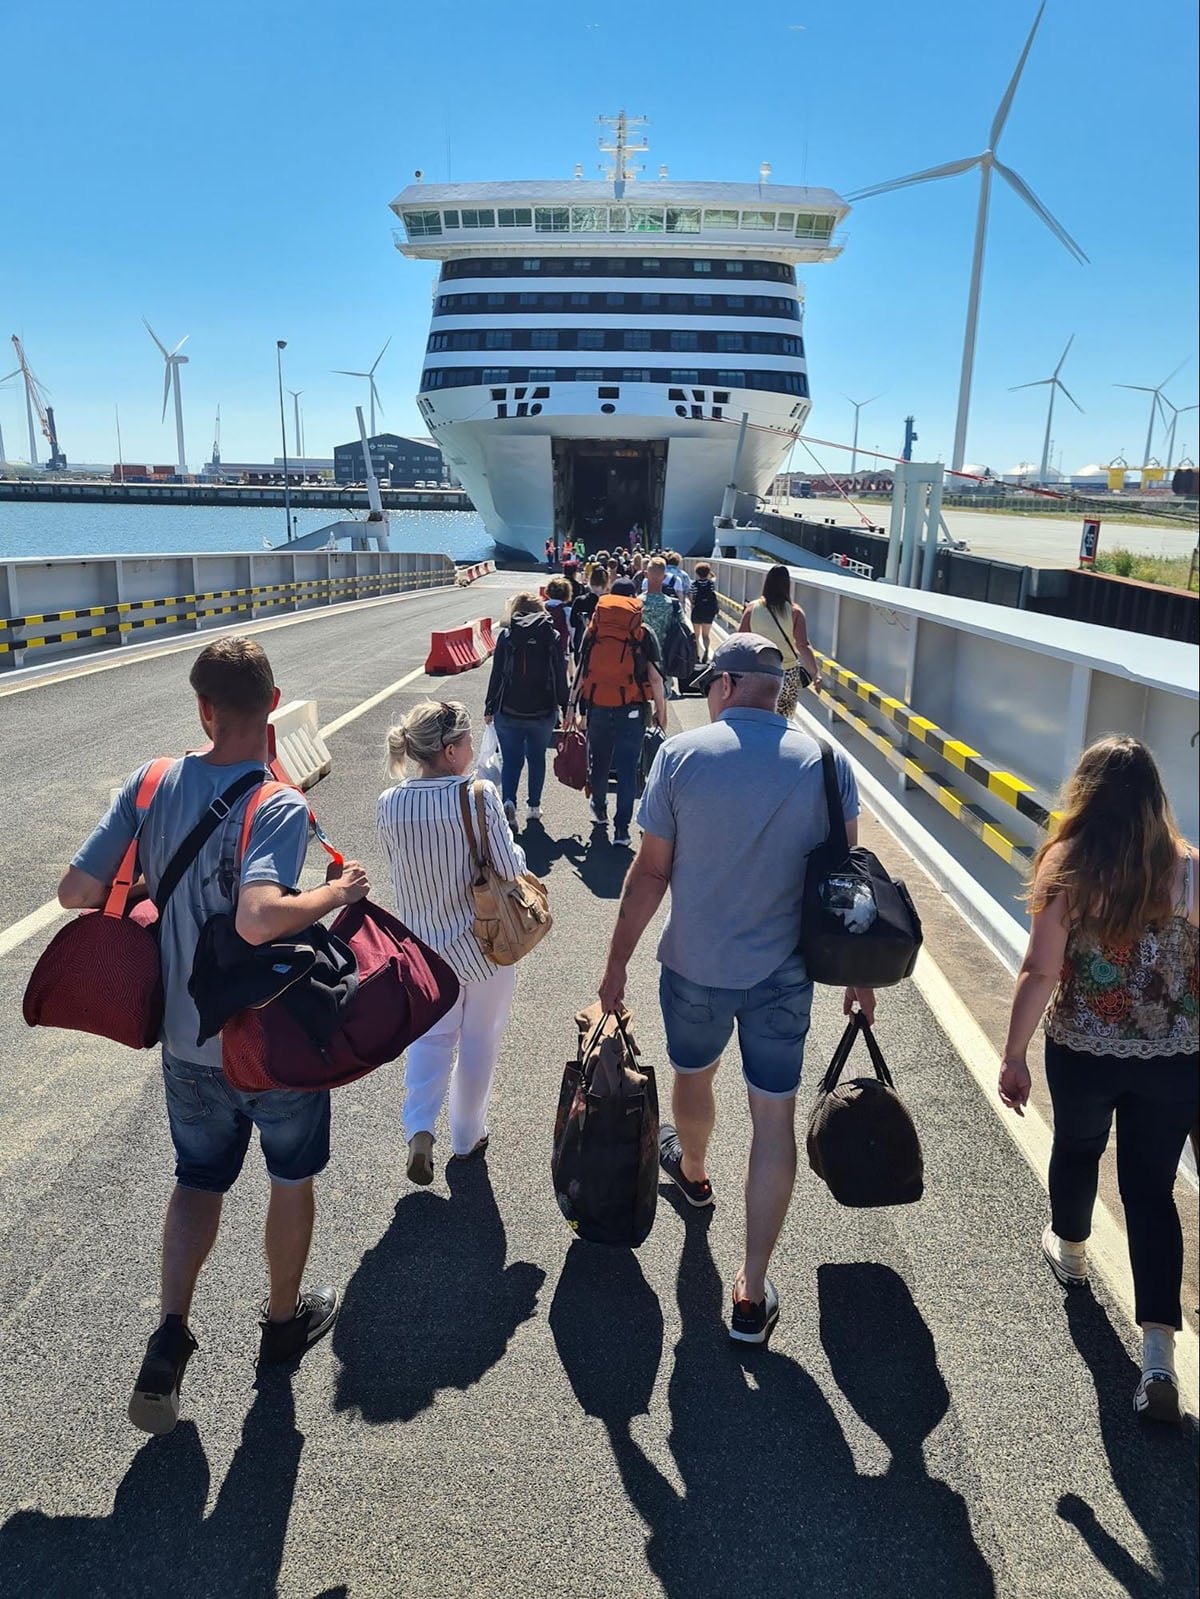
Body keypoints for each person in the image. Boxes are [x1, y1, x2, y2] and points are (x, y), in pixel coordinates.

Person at [59, 637, 370, 1434]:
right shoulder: (278, 802)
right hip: (271, 1042)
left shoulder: (152, 781)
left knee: (198, 1179)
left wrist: (153, 886)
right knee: (289, 1177)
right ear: (274, 706)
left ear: (203, 709)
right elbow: (260, 916)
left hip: (186, 1042)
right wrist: (335, 892)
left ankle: (169, 1336)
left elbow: (77, 889)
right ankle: (281, 1323)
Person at [597, 635, 873, 1343]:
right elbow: (849, 886)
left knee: (694, 1075)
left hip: (695, 966)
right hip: (785, 973)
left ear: (724, 685)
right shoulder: (827, 763)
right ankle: (750, 1287)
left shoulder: (681, 756)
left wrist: (616, 963)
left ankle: (692, 1171)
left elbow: (650, 873)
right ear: (776, 691)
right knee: (773, 1119)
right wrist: (860, 978)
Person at [998, 736, 1199, 1424]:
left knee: (1079, 1149)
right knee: (1151, 1192)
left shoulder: (1068, 865)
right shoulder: (1188, 871)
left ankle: (1073, 1250)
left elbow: (1040, 969)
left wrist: (1014, 1053)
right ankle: (1158, 1358)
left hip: (1084, 1052)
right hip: (1172, 1060)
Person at [378, 701, 525, 1187]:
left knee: (431, 1039)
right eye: (465, 741)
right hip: (484, 945)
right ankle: (466, 1135)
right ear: (449, 750)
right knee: (480, 1039)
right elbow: (510, 869)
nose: (470, 748)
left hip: (423, 950)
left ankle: (420, 1128)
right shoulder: (478, 796)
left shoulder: (390, 803)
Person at [572, 588, 668, 848]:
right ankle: (622, 831)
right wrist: (661, 711)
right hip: (632, 709)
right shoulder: (643, 633)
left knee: (600, 764)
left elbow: (581, 671)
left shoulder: (594, 630)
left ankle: (599, 808)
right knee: (628, 771)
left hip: (598, 706)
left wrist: (572, 708)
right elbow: (655, 679)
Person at [484, 592, 569, 827]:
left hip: (508, 708)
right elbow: (559, 674)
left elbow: (497, 673)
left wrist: (489, 705)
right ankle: (533, 807)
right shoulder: (551, 635)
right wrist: (566, 706)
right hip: (543, 710)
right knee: (537, 757)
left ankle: (509, 801)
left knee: (511, 760)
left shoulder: (507, 635)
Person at [738, 564, 821, 720]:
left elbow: (741, 639)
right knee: (784, 719)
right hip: (787, 673)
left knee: (758, 714)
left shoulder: (751, 609)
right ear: (787, 585)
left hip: (759, 671)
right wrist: (815, 674)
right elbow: (803, 645)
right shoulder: (795, 612)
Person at [569, 562, 608, 663]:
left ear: (590, 581)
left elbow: (572, 623)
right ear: (606, 584)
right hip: (601, 646)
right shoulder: (608, 603)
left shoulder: (579, 601)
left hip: (582, 643)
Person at [689, 561, 719, 662]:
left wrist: (693, 604)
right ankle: (706, 650)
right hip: (708, 612)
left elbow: (691, 598)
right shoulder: (711, 584)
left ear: (697, 573)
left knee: (696, 636)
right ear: (708, 572)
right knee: (706, 635)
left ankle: (697, 655)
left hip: (697, 611)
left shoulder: (694, 585)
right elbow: (714, 578)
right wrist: (710, 573)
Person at [544, 576, 574, 655]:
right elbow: (572, 631)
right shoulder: (567, 611)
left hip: (542, 649)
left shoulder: (540, 607)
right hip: (560, 650)